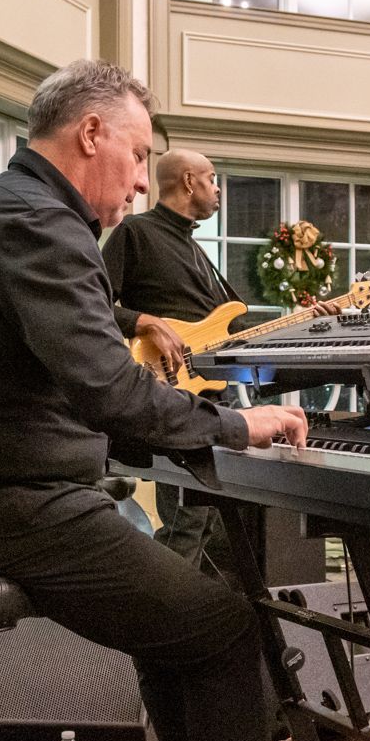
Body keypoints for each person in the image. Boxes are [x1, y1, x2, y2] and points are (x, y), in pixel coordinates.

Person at [0, 59, 306, 741]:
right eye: (138, 155)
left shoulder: (17, 209)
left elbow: (80, 394)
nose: (142, 181)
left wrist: (197, 433)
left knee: (177, 631)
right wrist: (239, 427)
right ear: (89, 133)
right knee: (226, 630)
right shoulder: (38, 220)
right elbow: (109, 390)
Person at [103, 148, 239, 566]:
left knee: (206, 519)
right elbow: (90, 304)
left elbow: (223, 325)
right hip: (169, 396)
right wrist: (143, 321)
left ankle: (178, 596)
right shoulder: (135, 232)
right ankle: (158, 597)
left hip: (209, 399)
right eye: (212, 178)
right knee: (187, 519)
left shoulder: (195, 248)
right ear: (189, 181)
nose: (217, 189)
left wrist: (312, 320)